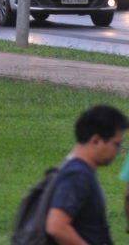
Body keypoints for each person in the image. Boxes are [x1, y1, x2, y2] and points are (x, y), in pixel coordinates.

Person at [47, 104, 128, 244]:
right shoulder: (77, 175)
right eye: (117, 144)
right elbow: (56, 226)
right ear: (96, 141)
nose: (119, 151)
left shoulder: (75, 169)